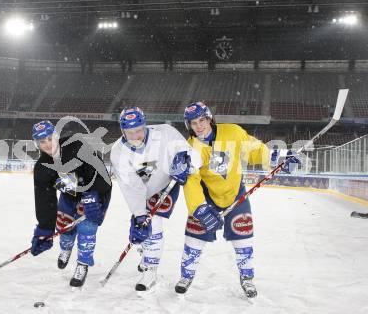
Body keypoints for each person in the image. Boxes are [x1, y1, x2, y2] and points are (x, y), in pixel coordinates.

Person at [176, 101, 300, 297]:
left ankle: (247, 278)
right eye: (193, 123)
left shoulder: (233, 132)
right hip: (207, 196)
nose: (199, 126)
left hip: (235, 194)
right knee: (194, 235)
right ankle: (186, 275)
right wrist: (199, 208)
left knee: (243, 235)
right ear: (188, 126)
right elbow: (191, 181)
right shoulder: (191, 148)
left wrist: (278, 157)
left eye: (202, 120)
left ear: (209, 119)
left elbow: (256, 150)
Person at [110, 107, 195, 292]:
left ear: (145, 124)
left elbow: (189, 152)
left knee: (154, 223)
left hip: (166, 185)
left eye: (139, 130)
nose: (135, 136)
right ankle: (145, 250)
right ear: (122, 130)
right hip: (141, 192)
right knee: (141, 229)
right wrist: (139, 215)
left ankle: (151, 271)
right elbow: (131, 188)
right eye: (129, 132)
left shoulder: (165, 132)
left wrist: (184, 161)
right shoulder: (118, 152)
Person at [30, 120, 112, 287]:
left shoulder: (77, 144)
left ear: (56, 136)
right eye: (41, 142)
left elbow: (101, 172)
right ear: (36, 144)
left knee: (87, 229)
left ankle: (83, 264)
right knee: (64, 225)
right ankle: (66, 248)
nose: (47, 144)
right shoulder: (42, 167)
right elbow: (45, 199)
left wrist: (94, 197)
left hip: (95, 193)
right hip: (70, 196)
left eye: (49, 138)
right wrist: (44, 229)